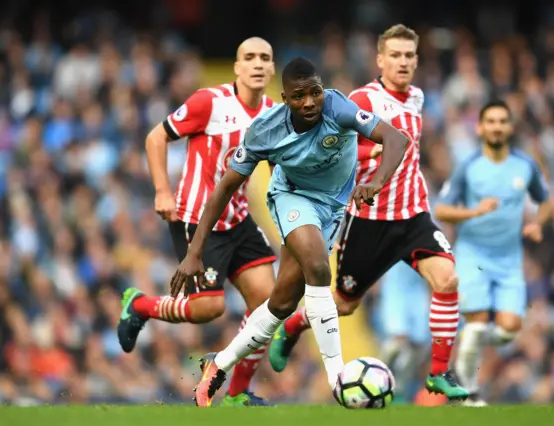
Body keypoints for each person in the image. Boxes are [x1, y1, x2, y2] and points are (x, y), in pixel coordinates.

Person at [169, 56, 409, 407]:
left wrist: (376, 180)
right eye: (299, 96)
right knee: (317, 267)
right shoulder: (265, 132)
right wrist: (194, 252)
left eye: (314, 92)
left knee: (282, 302)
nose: (309, 102)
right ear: (285, 99)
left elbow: (396, 139)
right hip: (292, 197)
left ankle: (217, 364)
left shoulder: (338, 106)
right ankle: (338, 380)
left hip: (334, 207)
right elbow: (223, 189)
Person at [268, 24, 468, 400]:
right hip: (368, 221)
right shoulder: (363, 98)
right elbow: (330, 143)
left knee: (448, 280)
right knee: (343, 304)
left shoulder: (419, 98)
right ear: (380, 59)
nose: (403, 62)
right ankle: (293, 326)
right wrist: (366, 160)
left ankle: (439, 373)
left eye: (409, 55)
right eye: (395, 55)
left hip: (413, 216)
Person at [116, 37, 278, 406]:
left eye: (264, 58)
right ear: (237, 67)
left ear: (271, 69)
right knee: (209, 309)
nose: (256, 64)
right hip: (195, 218)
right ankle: (140, 305)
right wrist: (161, 191)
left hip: (238, 217)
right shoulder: (210, 102)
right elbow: (156, 137)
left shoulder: (273, 114)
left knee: (267, 303)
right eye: (248, 57)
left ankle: (237, 393)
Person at [435, 99, 551, 406]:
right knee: (477, 321)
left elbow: (546, 199)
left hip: (509, 260)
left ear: (510, 127)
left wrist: (537, 222)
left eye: (502, 121)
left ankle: (470, 345)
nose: (497, 127)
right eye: (491, 121)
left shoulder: (525, 166)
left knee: (510, 328)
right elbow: (442, 209)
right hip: (473, 255)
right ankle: (469, 392)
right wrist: (474, 212)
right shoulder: (469, 167)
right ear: (480, 127)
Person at [377, 261, 430, 403]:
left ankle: (399, 389)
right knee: (398, 341)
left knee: (418, 345)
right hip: (395, 287)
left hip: (418, 288)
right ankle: (377, 380)